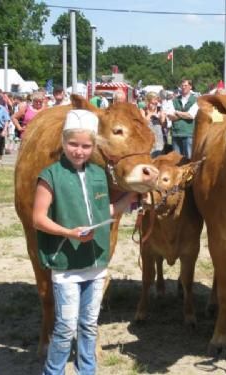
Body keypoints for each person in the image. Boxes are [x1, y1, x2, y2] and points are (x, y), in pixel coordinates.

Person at [33, 109, 138, 375]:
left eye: (86, 146)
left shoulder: (97, 175)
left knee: (89, 324)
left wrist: (130, 198)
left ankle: (86, 371)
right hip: (66, 264)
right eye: (73, 144)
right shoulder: (50, 175)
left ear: (94, 147)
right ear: (63, 142)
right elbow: (38, 219)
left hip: (95, 264)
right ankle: (53, 372)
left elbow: (106, 213)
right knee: (66, 326)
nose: (79, 151)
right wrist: (68, 233)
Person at [167, 79, 198, 159]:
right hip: (176, 133)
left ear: (190, 87)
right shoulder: (174, 100)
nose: (183, 87)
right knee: (176, 160)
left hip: (189, 134)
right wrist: (184, 114)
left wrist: (177, 112)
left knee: (189, 159)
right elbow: (170, 116)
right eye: (182, 86)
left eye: (186, 85)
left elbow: (191, 115)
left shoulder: (195, 100)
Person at [140, 92, 166, 157]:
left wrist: (162, 118)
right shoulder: (143, 110)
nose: (156, 102)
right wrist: (150, 113)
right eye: (153, 101)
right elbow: (143, 123)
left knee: (159, 157)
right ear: (148, 101)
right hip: (147, 139)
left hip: (159, 139)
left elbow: (164, 125)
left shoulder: (160, 110)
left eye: (157, 100)